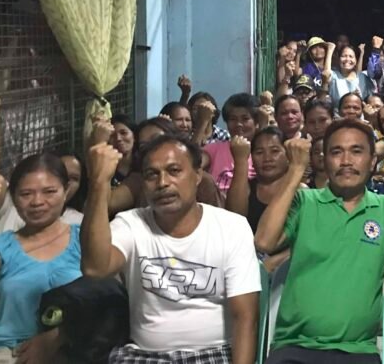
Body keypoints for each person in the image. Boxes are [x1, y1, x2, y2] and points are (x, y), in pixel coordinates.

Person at [255, 121, 384, 363]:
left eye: (356, 151)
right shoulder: (305, 202)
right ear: (325, 160)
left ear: (372, 161)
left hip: (358, 352)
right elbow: (264, 241)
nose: (346, 161)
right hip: (294, 349)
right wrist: (295, 171)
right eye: (336, 152)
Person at [81, 138, 261, 364]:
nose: (163, 183)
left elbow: (245, 318)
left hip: (213, 353)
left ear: (197, 175)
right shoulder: (131, 224)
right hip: (145, 356)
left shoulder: (231, 227)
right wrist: (99, 183)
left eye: (174, 171)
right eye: (151, 175)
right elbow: (95, 268)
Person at [0, 154, 83, 363]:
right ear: (13, 198)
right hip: (6, 354)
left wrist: (58, 337)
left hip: (71, 348)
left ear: (65, 191)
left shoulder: (83, 239)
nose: (37, 202)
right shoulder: (0, 247)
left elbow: (106, 301)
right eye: (25, 194)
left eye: (49, 191)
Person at [0, 94, 85, 234]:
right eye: (60, 173)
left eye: (74, 178)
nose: (37, 201)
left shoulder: (79, 222)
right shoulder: (16, 203)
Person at [109, 117, 223, 214]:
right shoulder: (138, 179)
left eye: (158, 141)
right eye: (144, 146)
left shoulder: (203, 181)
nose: (162, 183)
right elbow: (108, 204)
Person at [204, 94, 260, 194]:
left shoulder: (264, 151)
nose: (239, 124)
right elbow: (192, 165)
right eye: (233, 119)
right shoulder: (214, 149)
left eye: (245, 119)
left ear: (256, 122)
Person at [109, 114, 136, 187]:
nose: (118, 138)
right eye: (112, 135)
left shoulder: (143, 165)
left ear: (134, 136)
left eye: (123, 133)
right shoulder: (106, 169)